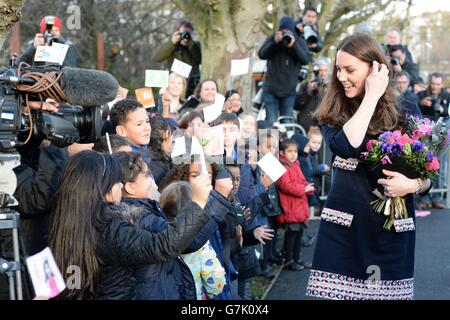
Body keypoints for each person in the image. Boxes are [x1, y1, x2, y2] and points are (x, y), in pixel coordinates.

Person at [306, 34, 432, 300]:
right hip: (346, 229)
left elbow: (428, 174)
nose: (341, 76)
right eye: (338, 69)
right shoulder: (333, 109)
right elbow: (347, 145)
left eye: (350, 70)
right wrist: (371, 97)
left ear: (375, 68)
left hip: (391, 231)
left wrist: (411, 185)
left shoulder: (406, 110)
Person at [48, 150, 214, 299]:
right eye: (116, 181)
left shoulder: (65, 228)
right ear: (101, 188)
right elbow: (163, 245)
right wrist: (198, 202)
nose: (121, 185)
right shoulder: (109, 229)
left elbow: (73, 285)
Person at [258, 16, 311, 126]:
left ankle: (285, 143)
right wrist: (274, 42)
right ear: (279, 30)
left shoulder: (298, 40)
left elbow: (306, 60)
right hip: (270, 90)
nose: (285, 33)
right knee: (271, 123)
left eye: (288, 31)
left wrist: (294, 45)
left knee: (286, 123)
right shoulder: (274, 38)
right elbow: (262, 54)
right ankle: (268, 143)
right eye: (283, 30)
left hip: (289, 92)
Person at [277, 139, 315, 271]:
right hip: (290, 207)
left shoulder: (296, 164)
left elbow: (302, 180)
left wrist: (308, 187)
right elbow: (286, 185)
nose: (293, 154)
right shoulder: (282, 166)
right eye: (289, 151)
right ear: (282, 152)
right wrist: (303, 189)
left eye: (295, 151)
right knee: (291, 234)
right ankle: (288, 260)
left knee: (299, 233)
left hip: (299, 206)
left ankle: (297, 259)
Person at [152, 19, 201, 98]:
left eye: (188, 33)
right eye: (182, 33)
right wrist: (172, 43)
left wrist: (190, 46)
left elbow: (200, 59)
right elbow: (156, 58)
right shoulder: (171, 45)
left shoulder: (195, 46)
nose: (185, 36)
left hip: (190, 84)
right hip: (173, 83)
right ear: (177, 33)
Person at [294, 58, 330, 132]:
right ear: (315, 72)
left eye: (325, 70)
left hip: (324, 126)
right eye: (319, 70)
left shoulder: (332, 87)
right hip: (305, 128)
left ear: (329, 71)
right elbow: (296, 106)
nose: (322, 73)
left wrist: (324, 90)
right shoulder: (306, 85)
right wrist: (308, 92)